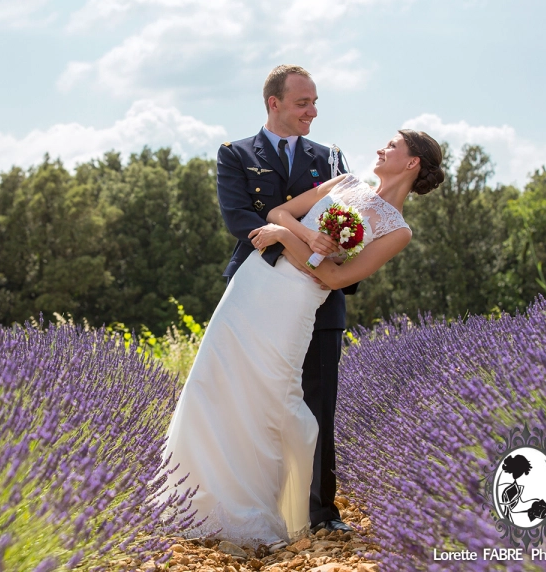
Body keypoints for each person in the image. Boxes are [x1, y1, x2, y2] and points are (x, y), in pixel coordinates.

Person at [158, 116, 445, 545]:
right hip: (252, 285)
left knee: (274, 395)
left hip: (295, 304)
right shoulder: (343, 181)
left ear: (411, 163)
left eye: (392, 145)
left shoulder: (398, 231)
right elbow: (277, 212)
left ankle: (260, 510)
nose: (382, 149)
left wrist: (284, 237)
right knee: (214, 379)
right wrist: (306, 235)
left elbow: (332, 279)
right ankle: (190, 501)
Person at [216, 65, 358, 535]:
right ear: (273, 103)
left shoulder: (332, 158)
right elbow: (242, 221)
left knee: (319, 403)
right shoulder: (235, 154)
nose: (313, 112)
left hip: (320, 298)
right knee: (255, 399)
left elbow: (348, 224)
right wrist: (302, 249)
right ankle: (258, 507)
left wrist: (332, 253)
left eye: (315, 102)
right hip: (259, 293)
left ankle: (320, 514)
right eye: (303, 103)